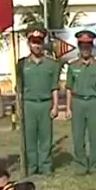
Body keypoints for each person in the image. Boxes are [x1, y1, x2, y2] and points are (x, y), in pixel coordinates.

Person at [18, 26, 61, 176]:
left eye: (39, 42)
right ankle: (32, 165)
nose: (36, 45)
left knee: (45, 137)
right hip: (29, 103)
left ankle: (45, 165)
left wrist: (55, 106)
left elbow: (54, 87)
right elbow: (19, 88)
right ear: (29, 44)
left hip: (45, 103)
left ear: (43, 43)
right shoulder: (22, 64)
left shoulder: (52, 64)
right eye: (33, 42)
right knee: (29, 136)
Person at [65, 30, 96, 175]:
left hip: (94, 103)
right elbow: (69, 88)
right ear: (79, 47)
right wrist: (69, 108)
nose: (85, 49)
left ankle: (95, 164)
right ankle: (81, 164)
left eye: (88, 46)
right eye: (83, 46)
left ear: (92, 46)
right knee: (78, 135)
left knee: (95, 135)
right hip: (77, 103)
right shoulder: (73, 65)